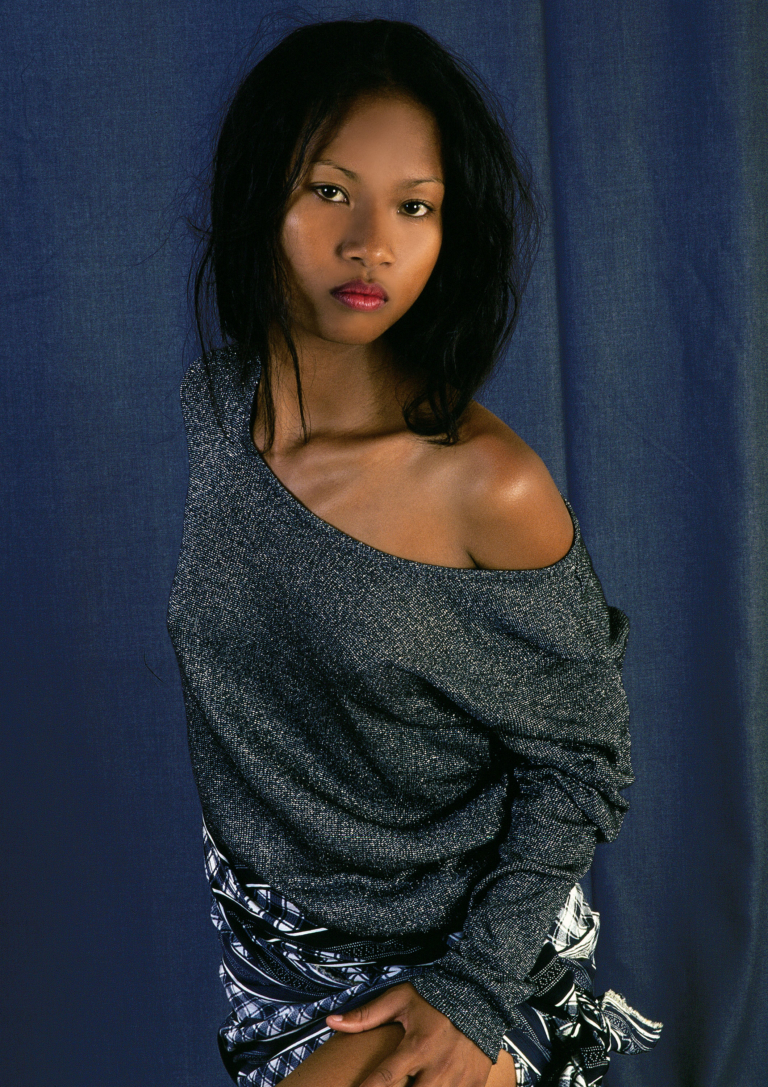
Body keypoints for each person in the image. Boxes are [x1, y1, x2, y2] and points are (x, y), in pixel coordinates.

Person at [167, 18, 663, 1087]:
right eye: (330, 191)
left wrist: (473, 983)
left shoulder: (487, 485)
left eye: (415, 206)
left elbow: (584, 761)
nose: (371, 245)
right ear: (261, 197)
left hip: (467, 962)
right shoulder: (219, 412)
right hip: (275, 960)